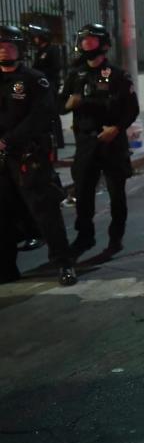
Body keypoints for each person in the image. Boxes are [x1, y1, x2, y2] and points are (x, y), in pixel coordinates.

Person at [0, 25, 77, 285]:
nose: (3, 50)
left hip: (27, 156)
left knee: (45, 212)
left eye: (9, 45)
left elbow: (41, 116)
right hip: (2, 159)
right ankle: (7, 269)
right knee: (4, 215)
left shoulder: (35, 79)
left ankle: (64, 264)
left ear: (20, 49)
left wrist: (7, 140)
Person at [61, 23, 139, 258]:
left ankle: (116, 238)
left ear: (103, 44)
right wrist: (68, 104)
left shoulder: (117, 74)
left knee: (117, 194)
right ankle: (85, 237)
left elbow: (131, 109)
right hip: (86, 142)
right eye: (83, 39)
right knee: (83, 192)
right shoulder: (75, 75)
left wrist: (117, 128)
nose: (86, 43)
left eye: (91, 39)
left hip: (112, 142)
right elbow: (59, 105)